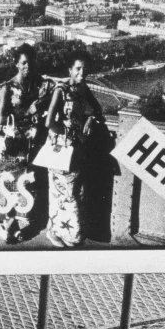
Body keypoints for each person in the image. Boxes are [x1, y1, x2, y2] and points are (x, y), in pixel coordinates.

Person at [44, 51, 108, 248]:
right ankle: (58, 232)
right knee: (61, 193)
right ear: (70, 70)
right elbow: (49, 122)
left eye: (85, 69)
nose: (82, 72)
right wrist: (66, 133)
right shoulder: (60, 90)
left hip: (76, 148)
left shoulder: (83, 88)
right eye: (78, 69)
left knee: (71, 192)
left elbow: (97, 110)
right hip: (60, 148)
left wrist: (89, 119)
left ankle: (63, 230)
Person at [0, 44, 54, 245]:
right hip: (11, 147)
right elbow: (1, 119)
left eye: (31, 62)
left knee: (24, 187)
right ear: (17, 64)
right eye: (24, 63)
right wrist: (30, 110)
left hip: (29, 146)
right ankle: (8, 224)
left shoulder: (40, 85)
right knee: (8, 185)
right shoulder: (8, 87)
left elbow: (55, 92)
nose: (28, 66)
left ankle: (13, 226)